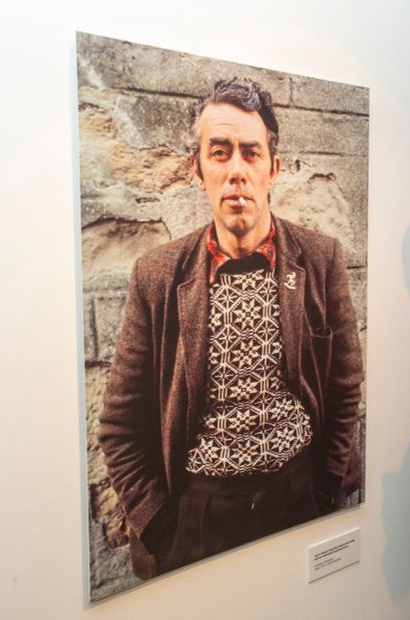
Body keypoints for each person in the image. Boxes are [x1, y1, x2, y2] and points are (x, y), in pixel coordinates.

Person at [99, 78, 364, 579]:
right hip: (199, 517)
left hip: (300, 496)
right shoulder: (158, 276)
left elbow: (345, 385)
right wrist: (159, 526)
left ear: (273, 169)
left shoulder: (320, 259)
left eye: (251, 153)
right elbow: (121, 426)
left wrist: (327, 485)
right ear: (197, 170)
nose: (236, 172)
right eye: (219, 154)